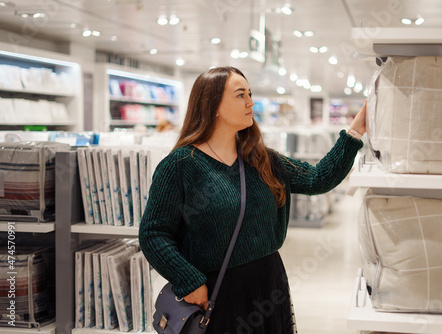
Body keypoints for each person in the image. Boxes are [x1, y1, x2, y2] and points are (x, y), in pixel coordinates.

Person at [139, 66, 366, 334]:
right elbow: (153, 233)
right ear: (212, 104)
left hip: (268, 284)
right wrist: (188, 281)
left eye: (250, 93)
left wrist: (355, 131)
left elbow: (318, 179)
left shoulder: (261, 159)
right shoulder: (179, 165)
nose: (251, 102)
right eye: (240, 95)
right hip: (216, 292)